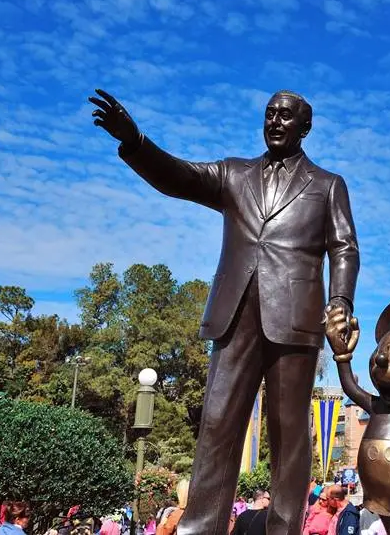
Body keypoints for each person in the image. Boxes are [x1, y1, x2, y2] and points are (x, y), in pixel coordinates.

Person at [90, 86, 360, 535]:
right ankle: (201, 527)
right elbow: (180, 176)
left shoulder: (328, 184)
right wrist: (134, 142)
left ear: (305, 127)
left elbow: (344, 247)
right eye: (270, 113)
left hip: (295, 318)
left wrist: (340, 301)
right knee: (217, 425)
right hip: (235, 315)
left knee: (289, 436)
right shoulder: (235, 174)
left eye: (286, 116)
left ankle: (283, 529)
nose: (275, 121)